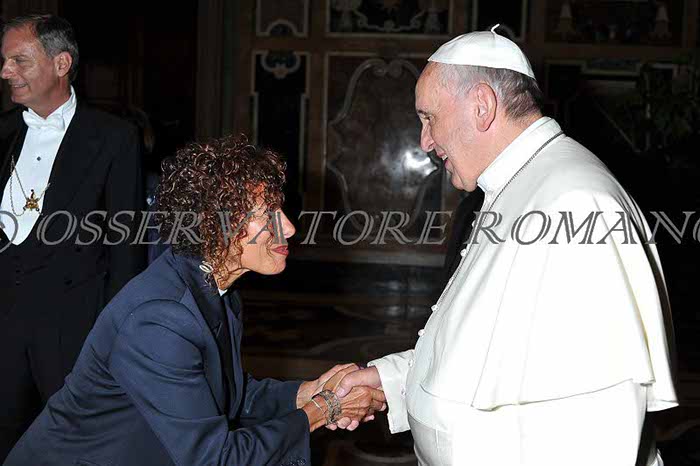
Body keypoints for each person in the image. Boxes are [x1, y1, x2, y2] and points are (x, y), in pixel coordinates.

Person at [333, 26, 677, 465]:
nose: (425, 142)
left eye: (428, 118)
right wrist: (390, 381)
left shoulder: (574, 201)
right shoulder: (519, 184)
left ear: (481, 105)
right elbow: (485, 351)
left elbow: (597, 427)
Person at [4, 134, 386, 466]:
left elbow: (229, 396)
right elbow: (215, 458)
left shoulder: (214, 288)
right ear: (215, 226)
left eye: (280, 209)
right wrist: (324, 410)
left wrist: (311, 391)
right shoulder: (159, 320)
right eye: (267, 214)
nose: (288, 226)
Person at [0, 14, 145, 459]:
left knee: (76, 450)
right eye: (5, 61)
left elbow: (127, 248)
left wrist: (115, 337)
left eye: (19, 61)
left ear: (61, 64)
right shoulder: (2, 131)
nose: (5, 71)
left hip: (73, 333)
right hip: (3, 325)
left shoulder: (115, 138)